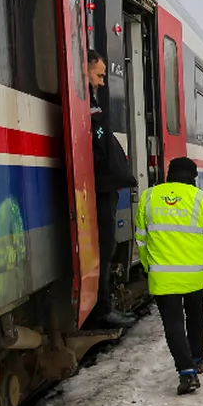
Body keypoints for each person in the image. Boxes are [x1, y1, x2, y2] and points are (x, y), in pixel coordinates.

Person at [135, 157, 203, 395]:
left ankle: (186, 373)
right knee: (194, 316)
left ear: (168, 174)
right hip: (193, 276)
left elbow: (141, 239)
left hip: (162, 276)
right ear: (193, 177)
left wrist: (147, 266)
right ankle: (198, 359)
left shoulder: (148, 197)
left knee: (173, 324)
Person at [88, 50, 137, 328]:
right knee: (104, 245)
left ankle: (101, 305)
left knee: (105, 244)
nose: (103, 82)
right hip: (99, 185)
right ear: (85, 68)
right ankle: (100, 309)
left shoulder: (90, 100)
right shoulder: (84, 101)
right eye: (99, 75)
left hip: (103, 184)